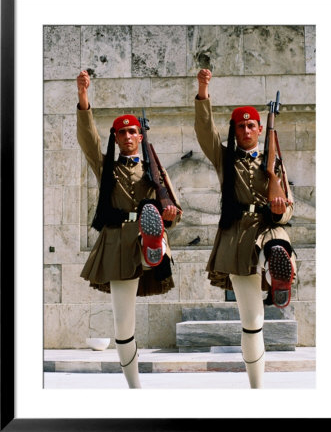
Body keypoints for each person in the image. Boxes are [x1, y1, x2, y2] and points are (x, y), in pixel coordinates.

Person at [76, 70, 181, 388]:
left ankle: (154, 247)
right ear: (116, 138)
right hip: (117, 243)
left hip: (146, 232)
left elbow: (175, 208)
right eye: (121, 134)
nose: (127, 137)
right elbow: (88, 140)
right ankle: (134, 387)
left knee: (153, 216)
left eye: (132, 132)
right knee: (123, 326)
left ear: (141, 136)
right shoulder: (108, 168)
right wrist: (84, 99)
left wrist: (170, 215)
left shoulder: (157, 170)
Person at [194, 69, 296, 389]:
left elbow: (288, 206)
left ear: (259, 129)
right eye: (242, 125)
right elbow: (204, 131)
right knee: (252, 323)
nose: (248, 129)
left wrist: (280, 211)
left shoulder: (274, 163)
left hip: (268, 229)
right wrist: (203, 91)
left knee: (278, 246)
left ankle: (277, 272)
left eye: (253, 124)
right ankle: (257, 389)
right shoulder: (225, 159)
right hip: (237, 238)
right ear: (235, 131)